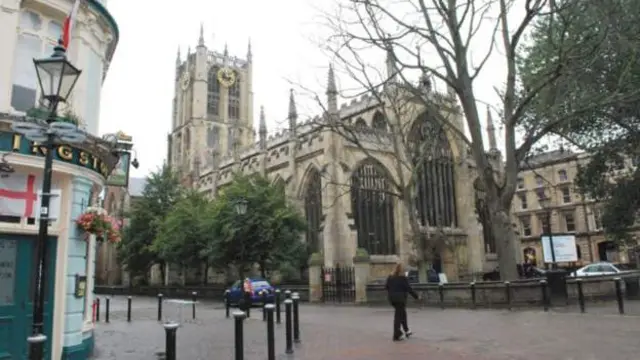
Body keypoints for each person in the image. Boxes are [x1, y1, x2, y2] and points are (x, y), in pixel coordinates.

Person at [385, 263, 419, 341]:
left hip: (392, 299)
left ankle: (406, 330)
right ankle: (396, 334)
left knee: (402, 313)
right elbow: (409, 289)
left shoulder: (390, 277)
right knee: (398, 316)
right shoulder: (402, 278)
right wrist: (416, 296)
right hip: (400, 299)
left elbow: (386, 287)